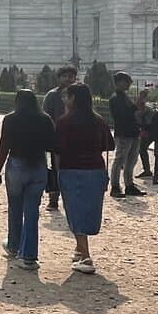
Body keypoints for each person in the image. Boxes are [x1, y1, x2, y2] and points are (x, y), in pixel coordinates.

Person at [0, 89, 56, 270]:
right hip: (38, 166)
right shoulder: (45, 119)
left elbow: (3, 146)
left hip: (17, 165)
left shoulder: (10, 119)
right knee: (32, 212)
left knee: (15, 208)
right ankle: (29, 256)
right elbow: (53, 145)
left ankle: (14, 245)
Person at [55, 83, 114, 274]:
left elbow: (57, 146)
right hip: (95, 170)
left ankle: (87, 257)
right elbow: (110, 145)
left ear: (73, 99)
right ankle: (80, 250)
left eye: (67, 97)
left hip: (72, 169)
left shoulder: (65, 122)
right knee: (89, 209)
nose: (65, 100)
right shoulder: (99, 120)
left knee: (74, 210)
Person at [41, 65, 77, 211]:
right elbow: (45, 117)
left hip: (75, 139)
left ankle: (72, 198)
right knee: (56, 169)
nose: (68, 79)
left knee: (74, 169)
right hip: (57, 139)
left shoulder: (79, 95)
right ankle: (54, 198)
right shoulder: (52, 95)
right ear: (59, 77)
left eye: (71, 76)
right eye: (65, 76)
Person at [108, 72, 146, 198]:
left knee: (131, 161)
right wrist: (139, 100)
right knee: (119, 160)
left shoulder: (125, 97)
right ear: (118, 82)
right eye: (126, 81)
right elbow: (125, 114)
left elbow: (135, 111)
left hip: (133, 132)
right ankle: (115, 186)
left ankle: (129, 185)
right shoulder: (115, 98)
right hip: (123, 133)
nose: (128, 84)